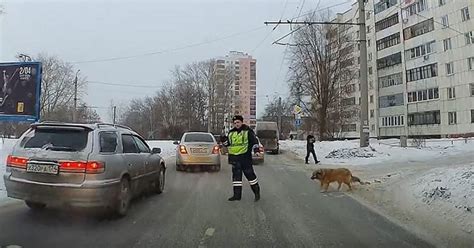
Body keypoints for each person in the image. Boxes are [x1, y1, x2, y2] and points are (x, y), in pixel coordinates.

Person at [222, 115, 260, 201]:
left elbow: (254, 141)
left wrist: (256, 150)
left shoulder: (248, 131)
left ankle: (256, 193)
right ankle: (237, 196)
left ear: (242, 122)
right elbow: (228, 144)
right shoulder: (231, 132)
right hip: (234, 159)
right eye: (235, 123)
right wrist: (224, 141)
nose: (236, 124)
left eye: (238, 122)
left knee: (251, 177)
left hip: (245, 158)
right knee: (236, 179)